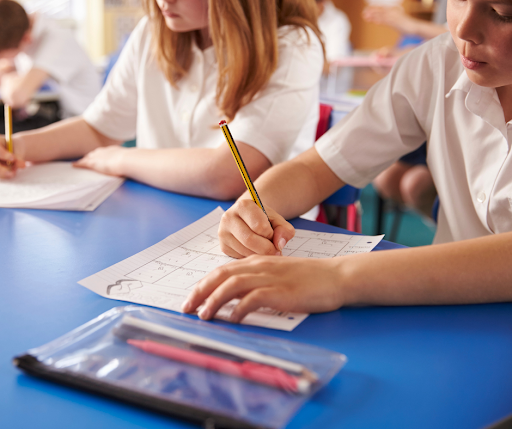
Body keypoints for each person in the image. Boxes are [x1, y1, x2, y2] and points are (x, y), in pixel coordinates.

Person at [181, 0, 512, 323]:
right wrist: (253, 207)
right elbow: (316, 168)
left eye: (502, 13)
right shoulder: (436, 63)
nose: (464, 29)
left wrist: (339, 277)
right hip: (442, 316)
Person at [0, 0, 324, 202]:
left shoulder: (293, 46)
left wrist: (122, 159)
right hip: (161, 211)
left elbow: (228, 173)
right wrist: (18, 147)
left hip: (259, 232)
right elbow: (99, 128)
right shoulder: (154, 31)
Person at [362, 2, 450, 218]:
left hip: (448, 114)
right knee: (386, 178)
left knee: (415, 184)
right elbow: (441, 44)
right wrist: (404, 57)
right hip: (432, 108)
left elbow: (457, 39)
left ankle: (457, 235)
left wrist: (411, 25)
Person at [0, 0, 101, 131]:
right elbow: (7, 68)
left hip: (79, 122)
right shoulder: (17, 29)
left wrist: (8, 78)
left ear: (26, 39)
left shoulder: (57, 40)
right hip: (52, 112)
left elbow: (16, 97)